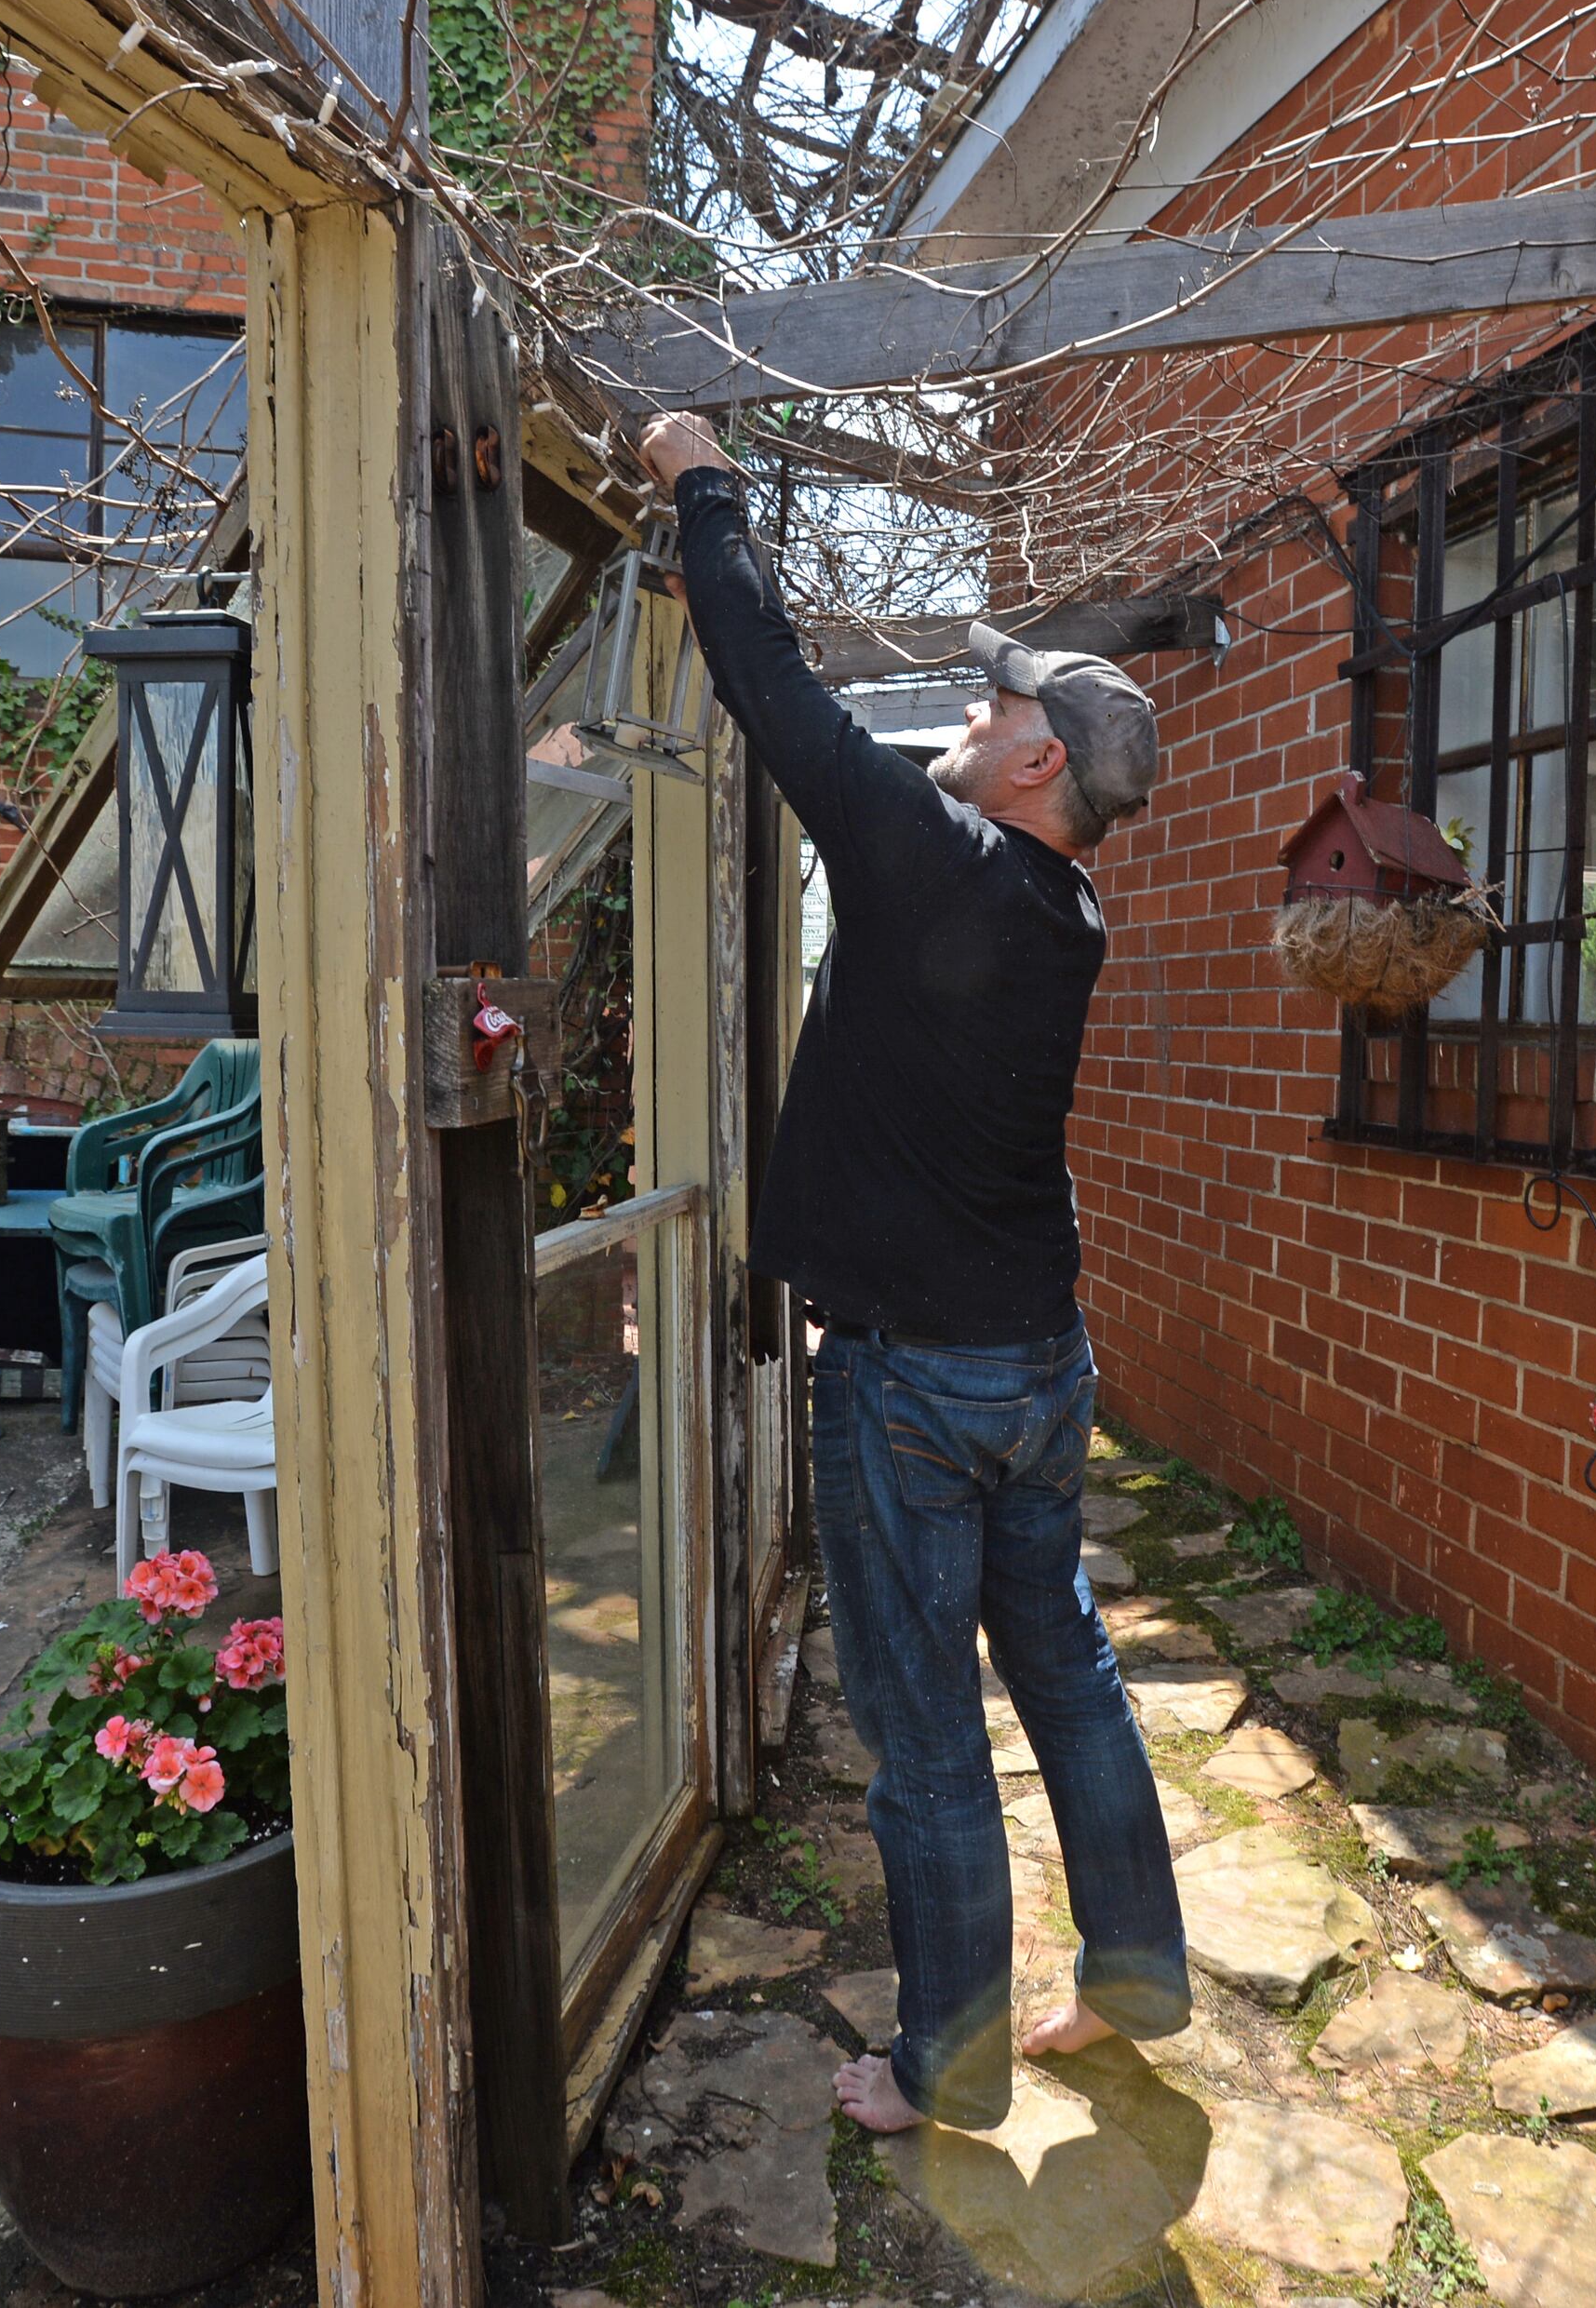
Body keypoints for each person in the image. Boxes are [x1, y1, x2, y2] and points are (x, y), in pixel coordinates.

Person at [637, 412, 1188, 2136]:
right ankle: (1135, 1977)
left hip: (917, 1383)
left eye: (996, 704)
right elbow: (846, 738)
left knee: (931, 1733)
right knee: (1067, 1670)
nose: (970, 708)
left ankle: (943, 2069)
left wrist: (702, 482)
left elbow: (782, 698)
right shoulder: (1062, 910)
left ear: (1038, 767)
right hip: (1037, 1362)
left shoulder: (938, 863)